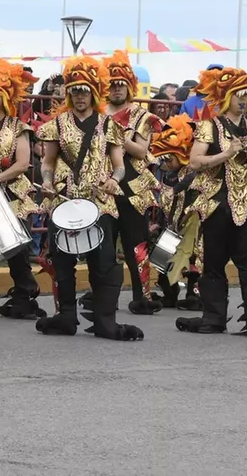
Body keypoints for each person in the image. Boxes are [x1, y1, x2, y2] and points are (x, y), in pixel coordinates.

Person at [35, 55, 144, 341]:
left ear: (94, 93)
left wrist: (114, 180)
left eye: (84, 91)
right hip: (64, 200)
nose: (80, 97)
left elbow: (119, 165)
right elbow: (48, 162)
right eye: (75, 92)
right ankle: (66, 317)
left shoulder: (109, 125)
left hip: (100, 202)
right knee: (62, 261)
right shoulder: (57, 125)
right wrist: (46, 182)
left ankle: (105, 321)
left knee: (104, 262)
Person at [177, 67, 247, 338]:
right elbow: (194, 162)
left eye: (246, 96)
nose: (243, 101)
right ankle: (214, 318)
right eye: (238, 95)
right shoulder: (209, 126)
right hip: (217, 204)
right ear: (226, 97)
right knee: (213, 264)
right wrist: (226, 154)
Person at [0, 58, 46, 320]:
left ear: (5, 98)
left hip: (13, 194)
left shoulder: (19, 128)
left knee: (16, 249)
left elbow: (23, 163)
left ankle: (26, 291)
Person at [97, 50, 161, 315]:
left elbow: (142, 151)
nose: (116, 89)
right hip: (102, 185)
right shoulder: (97, 112)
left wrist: (117, 136)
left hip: (133, 187)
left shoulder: (142, 116)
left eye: (121, 85)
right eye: (112, 85)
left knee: (137, 244)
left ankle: (142, 296)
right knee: (104, 246)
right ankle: (104, 298)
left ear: (129, 87)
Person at [148, 114, 202, 310]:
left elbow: (189, 182)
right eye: (164, 159)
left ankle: (194, 295)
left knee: (194, 261)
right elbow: (165, 203)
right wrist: (159, 223)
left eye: (169, 159)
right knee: (163, 259)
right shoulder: (169, 175)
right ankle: (170, 295)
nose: (166, 163)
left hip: (192, 227)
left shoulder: (194, 173)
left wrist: (177, 188)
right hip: (172, 226)